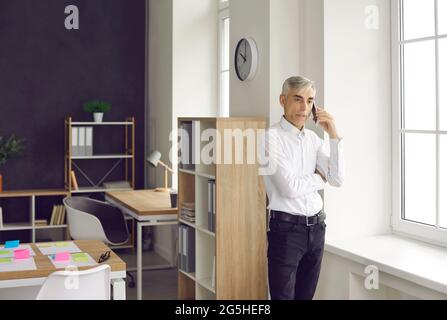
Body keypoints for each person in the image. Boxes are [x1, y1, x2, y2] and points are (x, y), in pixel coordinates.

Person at [259, 76, 344, 300]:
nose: (304, 107)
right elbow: (290, 188)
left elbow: (336, 179)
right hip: (286, 233)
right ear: (282, 100)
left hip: (317, 229)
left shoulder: (315, 140)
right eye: (297, 99)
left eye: (309, 100)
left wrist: (333, 134)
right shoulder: (270, 138)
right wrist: (319, 178)